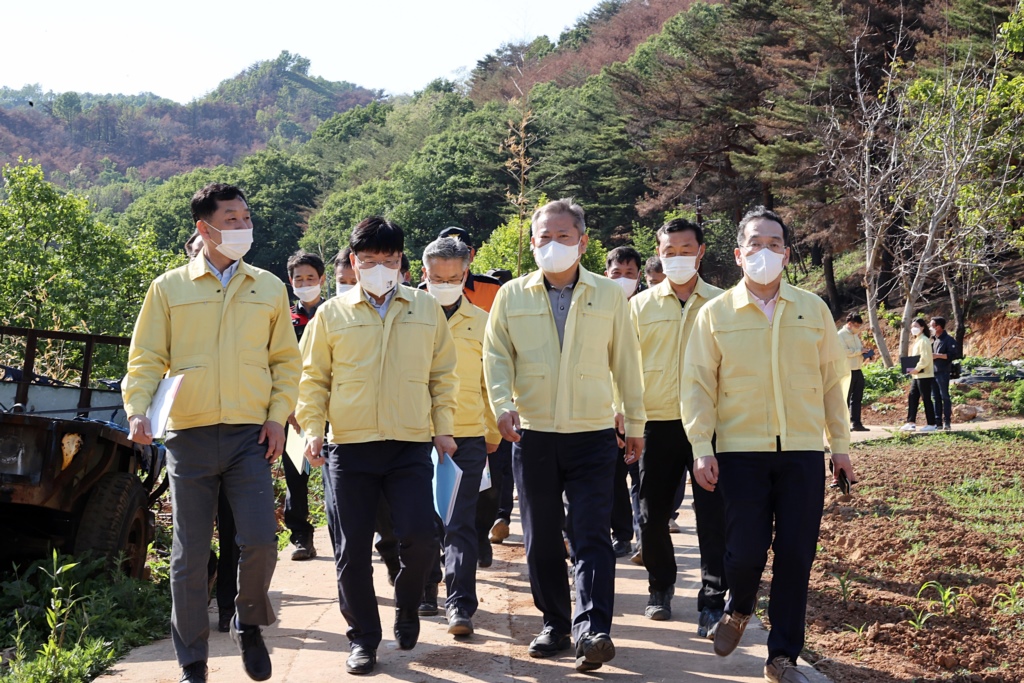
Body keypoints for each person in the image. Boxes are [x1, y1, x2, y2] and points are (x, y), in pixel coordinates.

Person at [123, 183, 301, 683]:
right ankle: (193, 661)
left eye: (247, 217)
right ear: (205, 228)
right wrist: (138, 410)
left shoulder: (268, 286)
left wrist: (276, 416)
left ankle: (248, 622)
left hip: (249, 435)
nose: (244, 226)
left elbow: (287, 363)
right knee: (189, 554)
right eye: (233, 219)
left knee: (262, 540)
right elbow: (145, 360)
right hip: (189, 436)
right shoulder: (169, 288)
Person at [681, 206, 855, 683]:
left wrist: (838, 445)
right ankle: (738, 606)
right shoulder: (715, 314)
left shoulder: (812, 309)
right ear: (739, 255)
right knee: (745, 552)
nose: (765, 252)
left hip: (801, 450)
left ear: (787, 253)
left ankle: (782, 657)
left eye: (774, 244)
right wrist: (702, 445)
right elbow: (696, 384)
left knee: (797, 554)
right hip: (740, 451)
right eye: (755, 244)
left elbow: (830, 384)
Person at [484, 198, 645, 673]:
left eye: (563, 237)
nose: (553, 245)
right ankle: (555, 623)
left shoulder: (609, 295)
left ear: (583, 241)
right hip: (531, 434)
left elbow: (627, 364)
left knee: (592, 532)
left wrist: (633, 423)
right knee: (541, 538)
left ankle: (593, 627)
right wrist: (501, 405)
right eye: (543, 238)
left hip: (592, 434)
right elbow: (495, 357)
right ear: (532, 242)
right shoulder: (511, 295)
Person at [296, 216, 459, 676]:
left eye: (389, 261)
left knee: (422, 538)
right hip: (349, 447)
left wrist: (443, 426)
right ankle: (363, 640)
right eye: (370, 261)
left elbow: (443, 376)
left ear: (403, 263)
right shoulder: (332, 314)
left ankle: (409, 607)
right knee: (352, 551)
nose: (381, 269)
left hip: (409, 444)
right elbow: (313, 380)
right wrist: (313, 428)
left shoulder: (424, 310)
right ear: (354, 263)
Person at [630, 218, 727, 635]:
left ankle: (712, 599)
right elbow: (624, 367)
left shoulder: (723, 304)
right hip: (657, 421)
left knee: (713, 515)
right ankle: (660, 587)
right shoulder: (639, 306)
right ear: (659, 252)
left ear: (700, 251)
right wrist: (624, 413)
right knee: (651, 514)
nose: (678, 257)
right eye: (669, 251)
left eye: (686, 250)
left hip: (712, 424)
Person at [418, 236, 502, 636]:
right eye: (437, 277)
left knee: (459, 522)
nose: (445, 283)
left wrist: (490, 434)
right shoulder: (407, 316)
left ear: (465, 274)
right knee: (420, 522)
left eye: (453, 277)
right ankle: (424, 589)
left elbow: (491, 383)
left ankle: (460, 605)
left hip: (466, 435)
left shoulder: (483, 322)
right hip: (413, 434)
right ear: (424, 274)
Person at [283, 250, 326, 561]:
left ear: (322, 280)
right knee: (295, 474)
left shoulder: (335, 314)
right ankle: (301, 536)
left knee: (336, 474)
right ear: (291, 281)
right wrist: (287, 408)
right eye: (299, 278)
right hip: (293, 411)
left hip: (333, 410)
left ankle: (346, 535)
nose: (305, 283)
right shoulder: (284, 320)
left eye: (311, 277)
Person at [604, 246, 644, 558]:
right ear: (607, 274)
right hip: (610, 411)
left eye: (629, 274)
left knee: (642, 479)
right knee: (615, 478)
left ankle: (645, 536)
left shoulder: (646, 309)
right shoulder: (600, 309)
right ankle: (622, 534)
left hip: (646, 409)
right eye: (617, 274)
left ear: (639, 276)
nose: (623, 279)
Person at [437, 226, 503, 312]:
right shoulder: (424, 292)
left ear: (472, 255)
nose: (453, 257)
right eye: (445, 252)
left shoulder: (494, 288)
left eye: (461, 251)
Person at [900, 318, 937, 432]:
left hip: (924, 374)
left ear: (922, 328)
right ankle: (911, 422)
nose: (913, 329)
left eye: (916, 326)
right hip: (917, 375)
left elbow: (925, 359)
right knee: (912, 397)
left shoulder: (924, 340)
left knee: (926, 398)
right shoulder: (918, 340)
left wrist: (916, 368)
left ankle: (932, 423)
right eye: (912, 327)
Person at [838, 313, 870, 432]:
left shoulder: (855, 335)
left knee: (857, 398)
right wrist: (859, 351)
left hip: (857, 369)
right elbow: (844, 352)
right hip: (847, 370)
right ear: (849, 323)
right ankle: (844, 424)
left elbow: (857, 351)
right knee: (845, 397)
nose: (858, 328)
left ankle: (856, 423)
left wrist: (865, 353)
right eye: (856, 325)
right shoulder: (840, 335)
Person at [929, 317, 957, 431]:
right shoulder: (934, 340)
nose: (931, 328)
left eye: (932, 326)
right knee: (935, 397)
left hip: (943, 372)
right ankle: (938, 422)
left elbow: (952, 355)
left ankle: (947, 422)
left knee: (944, 396)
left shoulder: (949, 340)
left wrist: (937, 355)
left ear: (939, 326)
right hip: (933, 371)